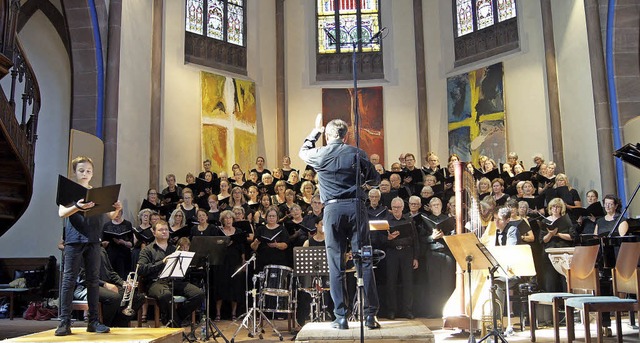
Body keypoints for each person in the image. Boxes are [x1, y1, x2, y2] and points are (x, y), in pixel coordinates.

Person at [298, 114, 381, 330]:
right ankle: (370, 316)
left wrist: (315, 131)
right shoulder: (356, 152)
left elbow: (302, 152)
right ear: (345, 136)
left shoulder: (320, 153)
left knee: (336, 264)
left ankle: (341, 317)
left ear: (327, 135)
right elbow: (375, 180)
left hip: (332, 210)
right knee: (364, 260)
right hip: (356, 207)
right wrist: (361, 184)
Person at [56, 156, 122, 336]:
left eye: (89, 171)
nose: (85, 174)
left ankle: (93, 322)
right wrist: (77, 206)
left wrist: (116, 208)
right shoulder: (70, 189)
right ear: (75, 172)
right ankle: (64, 323)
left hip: (93, 239)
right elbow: (62, 212)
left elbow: (109, 216)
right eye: (82, 171)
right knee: (69, 280)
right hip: (74, 239)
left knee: (93, 281)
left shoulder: (98, 193)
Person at [138, 220, 204, 327]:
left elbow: (183, 272)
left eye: (166, 230)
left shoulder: (174, 249)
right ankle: (174, 323)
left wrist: (185, 262)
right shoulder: (147, 250)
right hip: (155, 283)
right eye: (161, 230)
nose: (164, 232)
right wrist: (162, 262)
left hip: (174, 281)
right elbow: (141, 269)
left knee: (198, 294)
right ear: (154, 233)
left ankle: (174, 321)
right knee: (166, 295)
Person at [75, 247, 144, 327]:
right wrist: (104, 284)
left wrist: (123, 283)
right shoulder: (81, 250)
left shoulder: (101, 250)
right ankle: (105, 325)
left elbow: (110, 272)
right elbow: (82, 277)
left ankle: (119, 325)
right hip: (86, 288)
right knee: (114, 297)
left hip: (105, 286)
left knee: (138, 297)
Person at [385, 197, 419, 320]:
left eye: (398, 207)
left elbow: (415, 239)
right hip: (392, 253)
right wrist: (388, 239)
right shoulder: (386, 221)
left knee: (408, 282)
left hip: (407, 253)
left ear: (403, 208)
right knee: (391, 283)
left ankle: (407, 310)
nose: (396, 210)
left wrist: (415, 257)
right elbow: (381, 240)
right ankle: (391, 311)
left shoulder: (409, 220)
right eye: (394, 207)